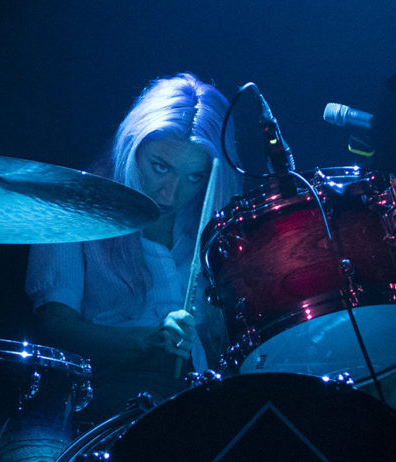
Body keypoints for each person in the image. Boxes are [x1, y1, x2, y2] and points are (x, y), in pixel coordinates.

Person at [26, 72, 242, 422]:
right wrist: (145, 342)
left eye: (194, 177)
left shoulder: (218, 218)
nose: (170, 194)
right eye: (160, 167)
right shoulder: (73, 205)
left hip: (209, 394)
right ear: (132, 145)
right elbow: (56, 327)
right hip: (107, 398)